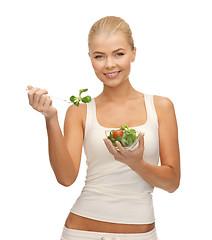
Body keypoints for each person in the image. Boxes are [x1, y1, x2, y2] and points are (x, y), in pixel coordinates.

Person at [27, 16, 180, 240]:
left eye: (119, 54)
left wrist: (136, 163)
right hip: (81, 232)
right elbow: (66, 177)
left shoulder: (161, 107)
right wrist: (50, 118)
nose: (109, 64)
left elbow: (172, 183)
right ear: (90, 58)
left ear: (133, 53)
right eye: (99, 56)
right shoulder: (79, 110)